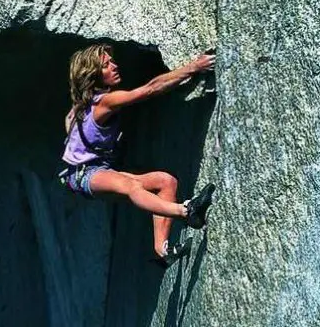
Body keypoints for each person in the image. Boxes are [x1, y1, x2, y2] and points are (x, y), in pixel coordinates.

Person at [59, 43, 216, 267]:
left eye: (112, 62)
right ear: (94, 75)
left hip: (96, 170)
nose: (114, 66)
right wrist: (193, 67)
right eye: (106, 65)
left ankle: (162, 250)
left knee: (165, 182)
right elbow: (150, 89)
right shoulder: (105, 102)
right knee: (131, 186)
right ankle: (187, 210)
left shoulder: (80, 108)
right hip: (84, 175)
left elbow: (70, 128)